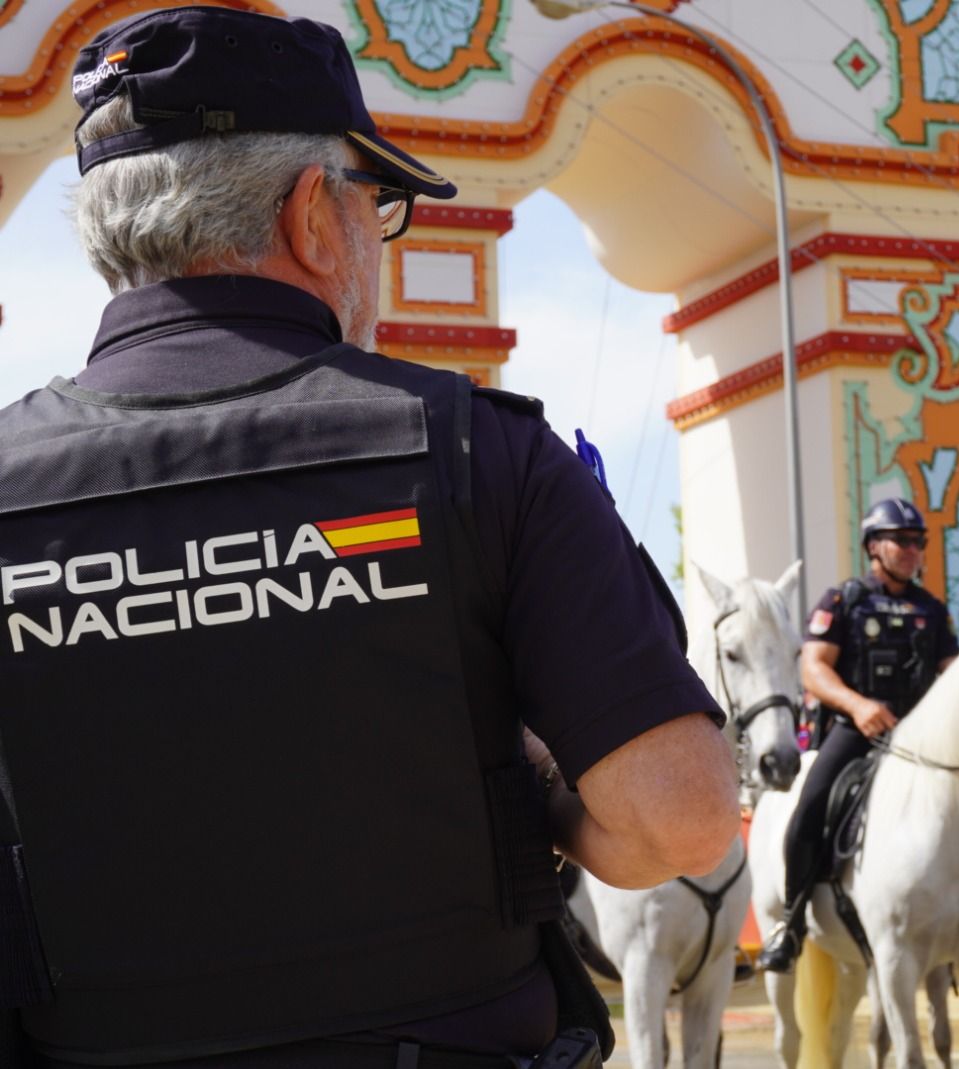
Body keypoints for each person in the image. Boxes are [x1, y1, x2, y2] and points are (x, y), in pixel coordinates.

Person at [0, 9, 739, 1067]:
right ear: (313, 215)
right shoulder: (488, 455)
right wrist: (534, 791)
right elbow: (680, 818)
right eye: (375, 204)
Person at [755, 497, 959, 973]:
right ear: (873, 546)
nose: (912, 549)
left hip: (920, 741)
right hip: (857, 731)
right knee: (809, 809)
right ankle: (792, 922)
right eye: (901, 540)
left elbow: (953, 675)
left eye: (918, 541)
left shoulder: (932, 610)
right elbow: (814, 669)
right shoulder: (843, 601)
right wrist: (858, 705)